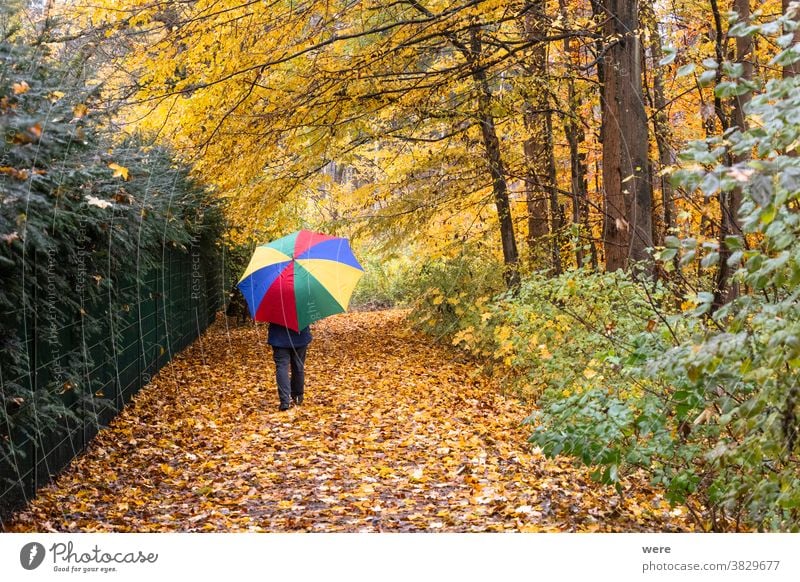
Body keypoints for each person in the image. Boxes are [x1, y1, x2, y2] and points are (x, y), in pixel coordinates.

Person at [267, 322, 312, 411]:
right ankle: (298, 396)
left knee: (282, 367)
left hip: (279, 337)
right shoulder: (301, 307)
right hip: (300, 336)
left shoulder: (274, 307)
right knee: (298, 366)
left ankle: (285, 401)